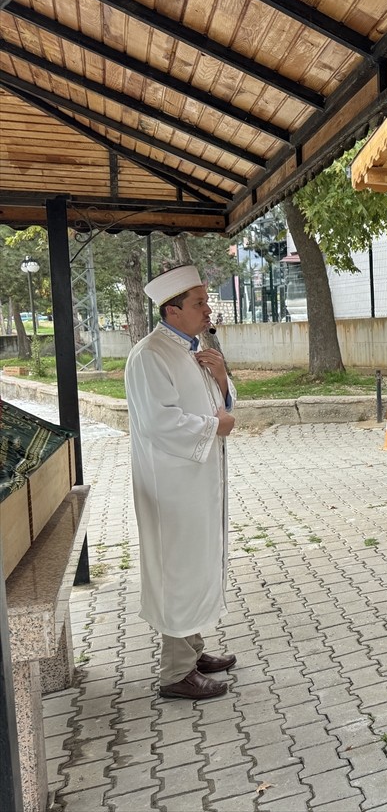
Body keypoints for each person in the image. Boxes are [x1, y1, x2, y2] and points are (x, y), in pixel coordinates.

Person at [125, 265, 237, 701]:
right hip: (172, 487)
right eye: (199, 303)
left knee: (197, 563)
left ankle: (192, 649)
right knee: (178, 569)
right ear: (172, 311)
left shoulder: (191, 349)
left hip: (197, 482)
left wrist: (222, 379)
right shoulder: (150, 354)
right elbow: (158, 420)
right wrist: (215, 426)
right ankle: (176, 673)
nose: (208, 309)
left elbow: (217, 404)